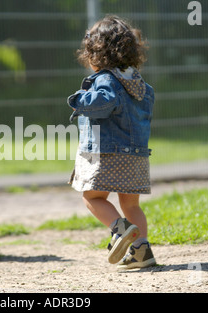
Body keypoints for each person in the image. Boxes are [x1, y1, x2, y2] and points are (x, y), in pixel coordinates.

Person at [67, 15, 156, 269]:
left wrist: (80, 99)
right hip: (137, 155)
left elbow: (104, 102)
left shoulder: (106, 79)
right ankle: (141, 250)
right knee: (131, 204)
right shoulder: (138, 82)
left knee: (92, 197)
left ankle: (120, 229)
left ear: (96, 54)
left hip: (109, 154)